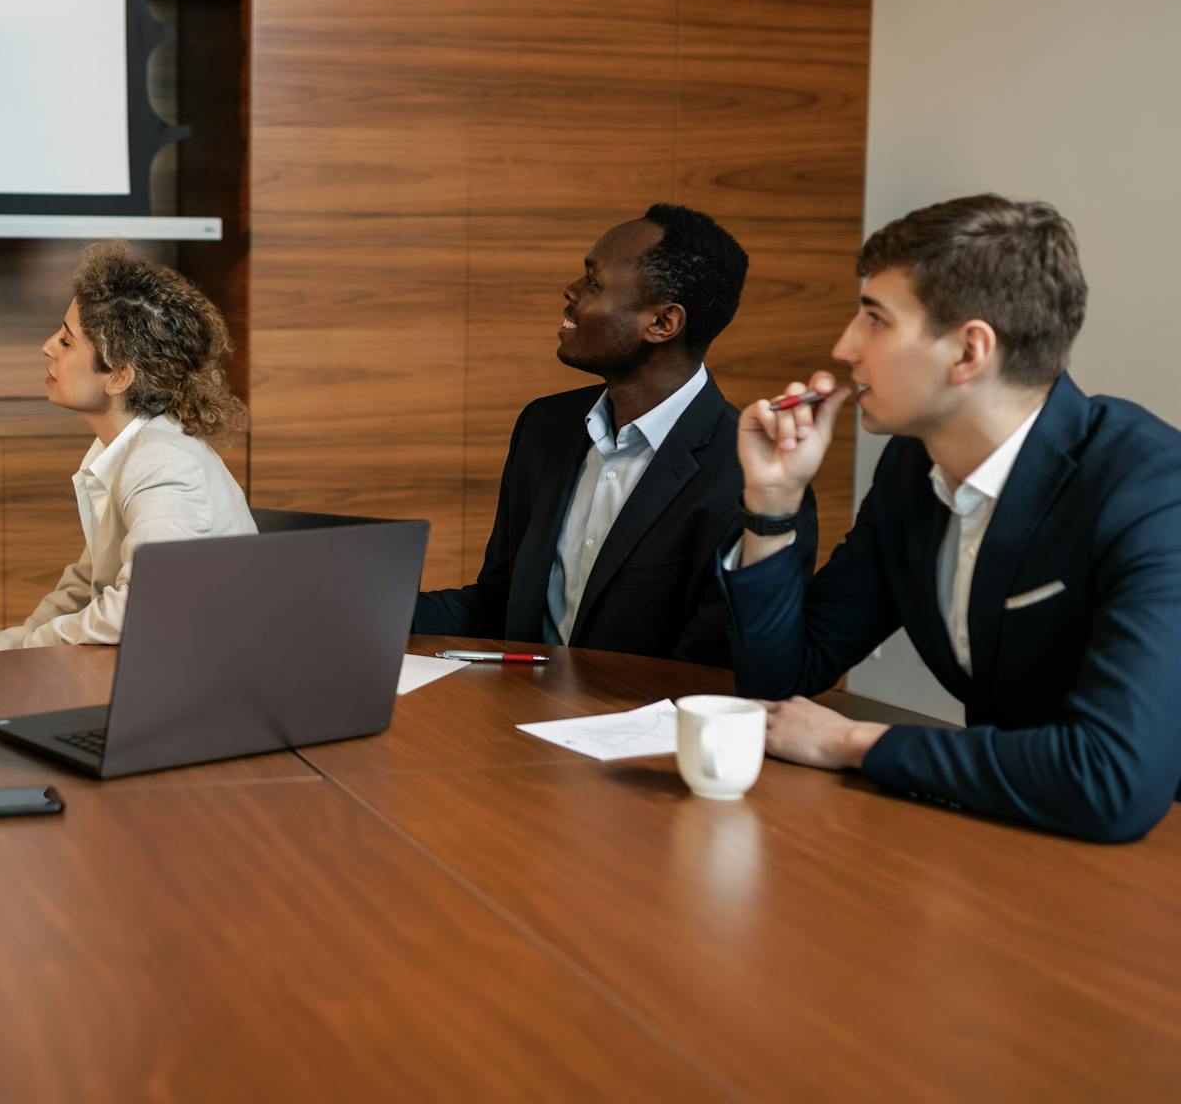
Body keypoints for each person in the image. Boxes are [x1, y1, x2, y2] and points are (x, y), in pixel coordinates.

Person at [722, 194, 1181, 842]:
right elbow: (779, 680)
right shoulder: (910, 472)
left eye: (875, 320)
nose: (844, 347)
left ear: (969, 353)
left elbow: (1112, 778)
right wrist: (772, 502)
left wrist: (856, 742)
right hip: (1018, 836)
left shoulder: (1154, 491)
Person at [414, 204, 817, 665]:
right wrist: (357, 605)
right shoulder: (543, 427)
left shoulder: (751, 477)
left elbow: (719, 671)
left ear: (663, 323)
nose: (570, 291)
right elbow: (496, 606)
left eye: (592, 281)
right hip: (518, 718)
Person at [0, 244, 256, 654]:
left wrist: (28, 648)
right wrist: (20, 642)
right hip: (149, 660)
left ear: (119, 376)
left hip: (184, 678)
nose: (47, 346)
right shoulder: (128, 451)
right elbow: (83, 584)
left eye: (67, 342)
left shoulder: (164, 463)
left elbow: (143, 605)